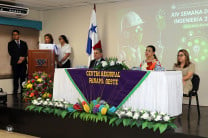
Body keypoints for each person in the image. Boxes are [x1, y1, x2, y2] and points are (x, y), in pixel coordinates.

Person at [8, 30, 28, 97]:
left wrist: (23, 58)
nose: (15, 36)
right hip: (15, 63)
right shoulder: (10, 43)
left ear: (19, 35)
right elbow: (11, 53)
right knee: (15, 78)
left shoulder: (24, 43)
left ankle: (23, 92)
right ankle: (15, 92)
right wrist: (19, 58)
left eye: (16, 34)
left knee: (23, 78)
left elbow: (26, 52)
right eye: (13, 34)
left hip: (23, 63)